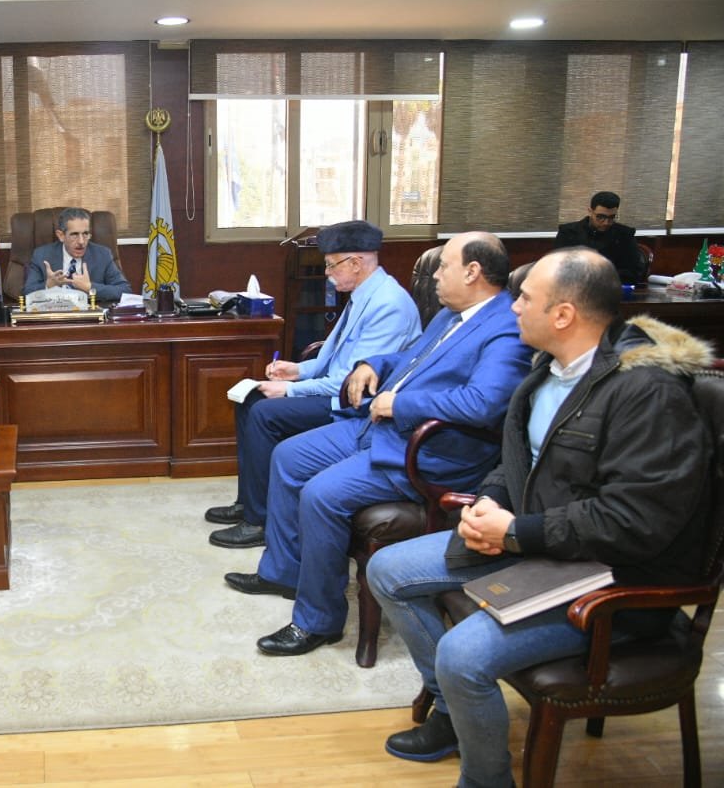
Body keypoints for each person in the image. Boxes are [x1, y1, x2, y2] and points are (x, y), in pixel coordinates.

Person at [367, 248, 712, 788]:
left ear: (563, 314)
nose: (512, 308)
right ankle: (454, 713)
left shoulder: (647, 393)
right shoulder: (549, 368)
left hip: (612, 579)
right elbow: (516, 459)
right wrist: (490, 501)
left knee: (461, 653)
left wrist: (514, 532)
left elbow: (634, 521)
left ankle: (486, 780)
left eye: (525, 299)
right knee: (387, 570)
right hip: (542, 546)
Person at [225, 232, 533, 657]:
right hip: (382, 427)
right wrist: (371, 363)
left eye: (444, 266)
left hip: (428, 450)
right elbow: (409, 359)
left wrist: (401, 404)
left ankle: (317, 621)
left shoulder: (505, 329)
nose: (435, 276)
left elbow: (483, 403)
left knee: (320, 494)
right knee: (289, 456)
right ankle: (284, 571)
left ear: (473, 272)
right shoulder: (451, 314)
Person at [207, 220, 421, 549]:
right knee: (249, 400)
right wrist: (297, 370)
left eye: (332, 264)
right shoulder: (362, 294)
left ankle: (260, 521)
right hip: (338, 391)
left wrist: (289, 390)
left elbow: (351, 383)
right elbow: (332, 359)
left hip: (358, 406)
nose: (327, 272)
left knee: (265, 413)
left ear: (356, 262)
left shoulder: (388, 305)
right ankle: (250, 502)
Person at [22, 207, 132, 305]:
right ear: (61, 235)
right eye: (74, 234)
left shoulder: (102, 255)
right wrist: (49, 285)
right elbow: (27, 292)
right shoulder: (42, 255)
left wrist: (89, 287)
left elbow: (124, 290)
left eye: (85, 234)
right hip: (55, 315)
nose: (81, 241)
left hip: (89, 317)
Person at [552, 191, 644, 284]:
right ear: (590, 211)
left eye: (612, 217)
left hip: (612, 286)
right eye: (600, 217)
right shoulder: (568, 233)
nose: (606, 222)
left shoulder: (625, 234)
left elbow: (634, 271)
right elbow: (558, 267)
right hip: (575, 286)